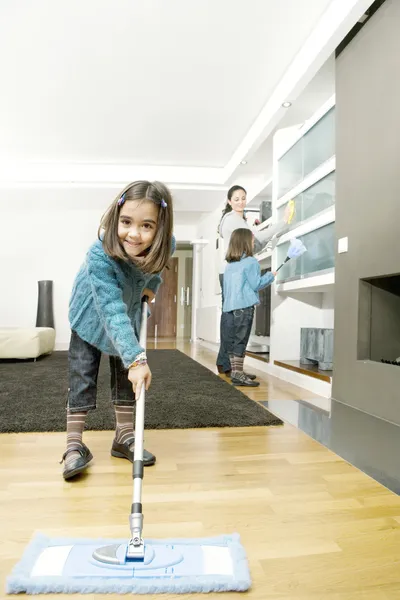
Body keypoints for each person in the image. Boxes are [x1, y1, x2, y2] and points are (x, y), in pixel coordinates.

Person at [60, 181, 175, 480]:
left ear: (160, 230)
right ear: (116, 218)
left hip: (128, 313)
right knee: (83, 375)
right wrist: (137, 359)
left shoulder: (167, 244)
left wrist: (151, 286)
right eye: (126, 222)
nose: (134, 234)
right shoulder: (99, 254)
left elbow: (158, 269)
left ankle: (124, 436)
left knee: (126, 378)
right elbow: (110, 309)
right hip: (90, 316)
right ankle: (74, 445)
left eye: (147, 225)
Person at [216, 185, 290, 376]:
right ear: (229, 201)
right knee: (235, 324)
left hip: (231, 272)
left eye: (243, 198)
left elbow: (252, 243)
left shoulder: (239, 220)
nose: (241, 201)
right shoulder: (232, 220)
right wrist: (282, 223)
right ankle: (228, 364)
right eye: (237, 198)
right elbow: (254, 239)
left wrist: (269, 237)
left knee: (231, 320)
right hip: (233, 274)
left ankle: (229, 365)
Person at [223, 229, 275, 386]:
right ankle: (238, 374)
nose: (254, 243)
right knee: (241, 341)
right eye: (252, 240)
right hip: (244, 308)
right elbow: (256, 284)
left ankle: (235, 371)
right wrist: (271, 275)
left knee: (233, 342)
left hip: (229, 309)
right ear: (246, 242)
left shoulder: (230, 265)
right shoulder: (251, 262)